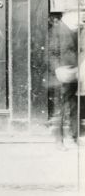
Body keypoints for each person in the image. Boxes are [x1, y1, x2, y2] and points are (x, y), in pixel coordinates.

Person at [48, 12, 78, 149]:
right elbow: (52, 53)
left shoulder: (76, 30)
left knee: (72, 106)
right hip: (61, 73)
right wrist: (57, 69)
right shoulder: (58, 30)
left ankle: (72, 137)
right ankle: (59, 140)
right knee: (59, 108)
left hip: (73, 72)